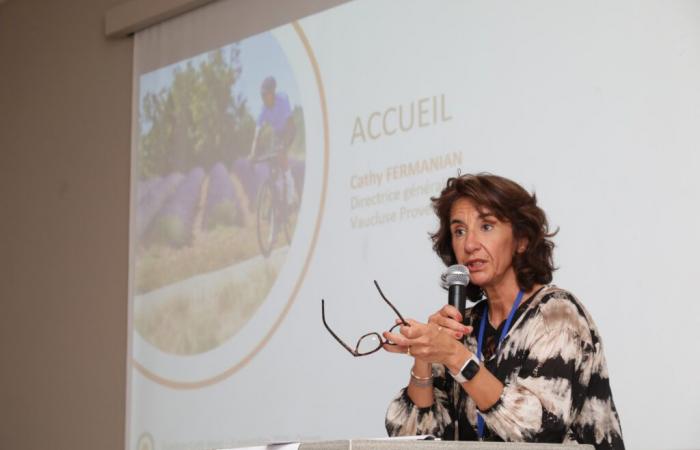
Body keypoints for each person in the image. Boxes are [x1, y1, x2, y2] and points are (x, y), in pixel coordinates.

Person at [382, 173, 624, 449]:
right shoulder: (466, 325)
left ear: (521, 239)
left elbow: (540, 430)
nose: (469, 244)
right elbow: (415, 438)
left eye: (486, 226)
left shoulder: (556, 315)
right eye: (459, 231)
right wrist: (424, 357)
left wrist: (455, 356)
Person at [248, 76, 297, 206]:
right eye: (261, 95)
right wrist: (253, 154)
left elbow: (290, 124)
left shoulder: (283, 99)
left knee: (280, 154)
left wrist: (283, 146)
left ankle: (291, 191)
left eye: (265, 95)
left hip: (289, 129)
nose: (262, 98)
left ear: (272, 93)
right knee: (272, 162)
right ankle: (278, 196)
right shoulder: (262, 109)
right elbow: (256, 135)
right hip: (277, 133)